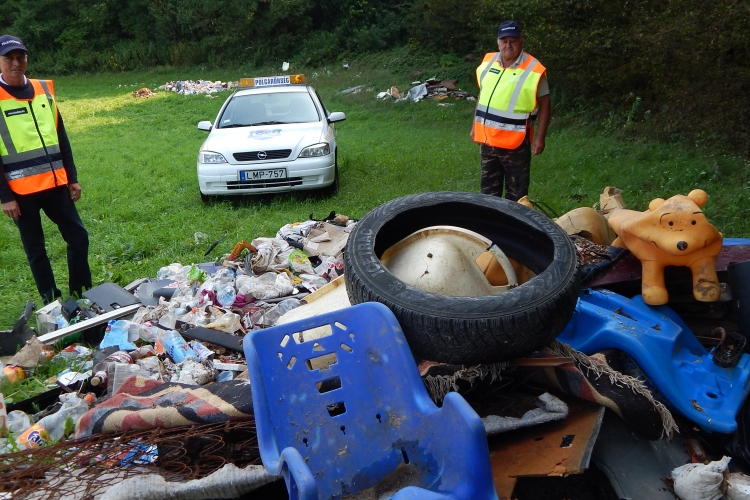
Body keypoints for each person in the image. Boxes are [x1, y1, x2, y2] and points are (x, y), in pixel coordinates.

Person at [0, 34, 91, 303]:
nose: (16, 63)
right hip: (20, 193)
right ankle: (51, 300)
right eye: (9, 58)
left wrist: (71, 178)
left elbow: (60, 136)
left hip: (55, 185)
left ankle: (81, 293)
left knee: (79, 236)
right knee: (36, 250)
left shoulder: (44, 90)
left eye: (21, 57)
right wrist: (5, 197)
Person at [471, 20, 551, 202]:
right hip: (488, 141)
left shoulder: (534, 69)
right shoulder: (488, 62)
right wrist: (474, 126)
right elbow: (483, 96)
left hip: (515, 143)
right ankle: (489, 227)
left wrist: (540, 137)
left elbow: (545, 104)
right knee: (488, 193)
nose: (508, 45)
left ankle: (513, 229)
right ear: (498, 42)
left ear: (521, 41)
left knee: (517, 196)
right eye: (504, 40)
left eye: (513, 40)